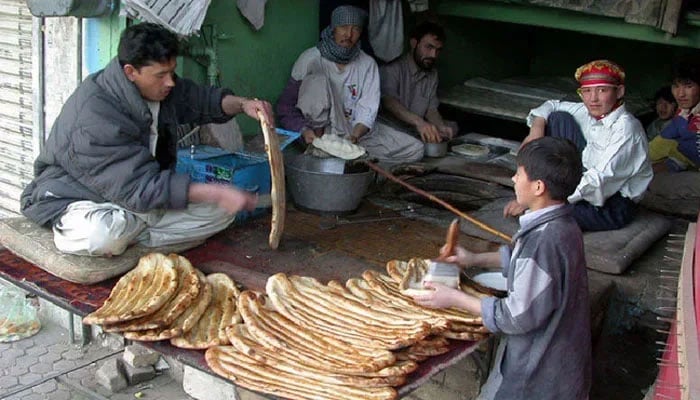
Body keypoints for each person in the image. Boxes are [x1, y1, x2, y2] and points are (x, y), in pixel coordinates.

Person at [20, 23, 274, 257]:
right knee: (101, 236)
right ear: (130, 71)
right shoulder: (94, 117)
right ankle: (127, 232)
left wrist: (243, 104)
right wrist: (215, 191)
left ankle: (135, 232)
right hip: (79, 197)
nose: (170, 82)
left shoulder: (160, 88)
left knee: (220, 213)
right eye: (161, 75)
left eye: (172, 72)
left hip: (138, 196)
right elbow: (140, 186)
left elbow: (200, 100)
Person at [410, 136, 591, 400]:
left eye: (519, 174)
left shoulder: (543, 240)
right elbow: (525, 261)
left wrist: (455, 298)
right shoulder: (562, 223)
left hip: (540, 370)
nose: (513, 179)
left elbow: (515, 317)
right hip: (565, 358)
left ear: (538, 186)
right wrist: (473, 259)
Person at [504, 59, 653, 231]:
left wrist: (539, 199)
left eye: (602, 90)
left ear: (619, 91)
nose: (593, 99)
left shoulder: (627, 128)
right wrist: (535, 130)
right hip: (583, 180)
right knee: (558, 117)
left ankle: (547, 196)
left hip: (612, 202)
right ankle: (546, 193)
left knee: (537, 215)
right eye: (586, 91)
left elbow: (597, 181)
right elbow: (551, 105)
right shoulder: (587, 111)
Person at [276, 5, 423, 164]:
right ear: (333, 29)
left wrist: (353, 137)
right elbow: (285, 107)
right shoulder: (311, 59)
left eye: (356, 29)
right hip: (320, 136)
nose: (349, 34)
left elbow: (368, 108)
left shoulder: (367, 64)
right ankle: (331, 155)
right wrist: (304, 131)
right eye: (343, 27)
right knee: (317, 80)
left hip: (355, 135)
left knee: (415, 149)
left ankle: (355, 161)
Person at [378, 21, 456, 144]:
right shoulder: (392, 69)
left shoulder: (432, 73)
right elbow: (389, 102)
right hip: (390, 130)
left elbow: (431, 109)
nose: (433, 55)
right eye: (429, 47)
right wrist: (420, 122)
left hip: (415, 130)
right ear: (414, 43)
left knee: (451, 128)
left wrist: (440, 126)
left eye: (438, 50)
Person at [648, 59, 700, 172]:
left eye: (688, 86)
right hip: (685, 158)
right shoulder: (684, 112)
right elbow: (664, 138)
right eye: (676, 86)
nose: (680, 94)